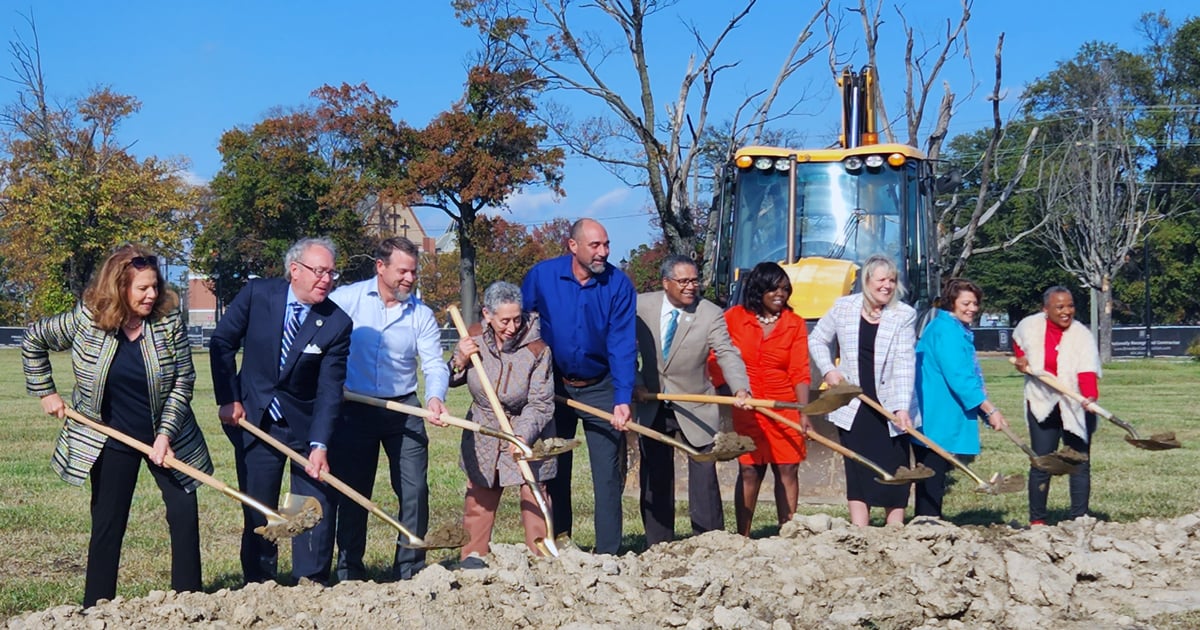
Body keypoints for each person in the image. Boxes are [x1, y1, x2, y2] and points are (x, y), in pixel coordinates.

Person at [22, 244, 212, 607]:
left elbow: (182, 380)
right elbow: (34, 339)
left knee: (184, 514)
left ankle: (189, 604)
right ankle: (97, 606)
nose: (152, 294)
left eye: (154, 286)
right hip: (109, 437)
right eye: (142, 288)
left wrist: (165, 434)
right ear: (119, 287)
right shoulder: (87, 318)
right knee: (108, 523)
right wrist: (46, 390)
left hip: (167, 437)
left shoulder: (167, 321)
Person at [209, 237, 353, 585]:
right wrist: (229, 398)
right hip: (255, 419)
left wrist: (319, 445)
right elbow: (222, 342)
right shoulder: (258, 295)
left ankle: (310, 581)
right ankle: (260, 583)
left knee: (310, 508)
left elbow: (329, 389)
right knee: (260, 507)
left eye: (332, 273)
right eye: (319, 271)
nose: (326, 280)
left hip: (304, 425)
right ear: (295, 270)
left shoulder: (336, 323)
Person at [328, 236, 449, 581]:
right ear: (380, 267)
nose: (409, 278)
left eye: (413, 272)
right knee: (354, 490)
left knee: (414, 490)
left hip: (404, 409)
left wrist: (435, 398)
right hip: (354, 407)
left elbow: (434, 364)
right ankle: (349, 568)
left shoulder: (421, 315)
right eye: (402, 271)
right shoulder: (346, 300)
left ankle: (410, 567)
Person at [521, 218, 636, 555]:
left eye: (606, 244)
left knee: (607, 473)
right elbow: (521, 322)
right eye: (595, 245)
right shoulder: (542, 276)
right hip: (553, 386)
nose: (604, 252)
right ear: (573, 246)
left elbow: (622, 343)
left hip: (600, 384)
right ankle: (561, 540)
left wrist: (622, 398)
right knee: (556, 466)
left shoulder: (618, 285)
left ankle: (608, 552)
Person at [633, 255, 750, 545]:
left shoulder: (710, 312)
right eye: (683, 281)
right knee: (656, 476)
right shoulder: (640, 306)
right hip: (652, 400)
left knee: (704, 474)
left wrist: (740, 388)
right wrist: (634, 384)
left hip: (695, 403)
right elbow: (622, 347)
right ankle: (659, 544)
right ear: (666, 283)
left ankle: (710, 542)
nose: (691, 287)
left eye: (694, 281)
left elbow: (726, 352)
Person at [448, 281, 555, 562]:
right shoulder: (473, 337)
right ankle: (472, 559)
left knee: (534, 496)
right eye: (504, 320)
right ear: (487, 315)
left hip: (526, 427)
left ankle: (542, 559)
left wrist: (521, 436)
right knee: (479, 496)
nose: (511, 326)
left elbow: (540, 402)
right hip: (485, 428)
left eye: (517, 319)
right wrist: (459, 358)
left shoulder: (537, 348)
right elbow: (452, 376)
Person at [809, 254, 916, 527]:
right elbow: (818, 340)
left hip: (888, 405)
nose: (887, 286)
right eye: (882, 280)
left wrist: (901, 408)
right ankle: (860, 529)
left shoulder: (903, 314)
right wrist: (828, 370)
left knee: (896, 465)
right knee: (858, 467)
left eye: (892, 280)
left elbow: (905, 363)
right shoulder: (843, 307)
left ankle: (895, 528)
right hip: (853, 403)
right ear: (867, 281)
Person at [710, 262, 811, 536]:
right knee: (750, 471)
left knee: (787, 470)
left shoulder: (794, 324)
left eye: (785, 288)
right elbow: (716, 358)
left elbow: (800, 370)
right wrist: (729, 394)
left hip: (784, 407)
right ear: (758, 290)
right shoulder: (734, 318)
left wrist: (803, 412)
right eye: (773, 288)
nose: (781, 294)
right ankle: (742, 535)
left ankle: (788, 531)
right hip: (748, 406)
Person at [913, 279, 1008, 519]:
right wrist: (990, 409)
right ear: (951, 303)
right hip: (937, 414)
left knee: (936, 473)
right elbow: (960, 378)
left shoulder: (954, 328)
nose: (972, 308)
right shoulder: (946, 331)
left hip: (944, 412)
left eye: (975, 303)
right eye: (966, 303)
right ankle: (927, 524)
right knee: (932, 472)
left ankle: (930, 521)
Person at [1012, 286, 1101, 525]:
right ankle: (1038, 521)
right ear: (1046, 309)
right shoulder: (1030, 327)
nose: (1066, 311)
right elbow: (1019, 344)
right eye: (1059, 307)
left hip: (1076, 404)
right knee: (1042, 462)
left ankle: (1079, 519)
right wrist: (1021, 359)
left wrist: (1090, 396)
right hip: (1042, 403)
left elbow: (1087, 370)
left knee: (1079, 462)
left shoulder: (1082, 335)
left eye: (1070, 306)